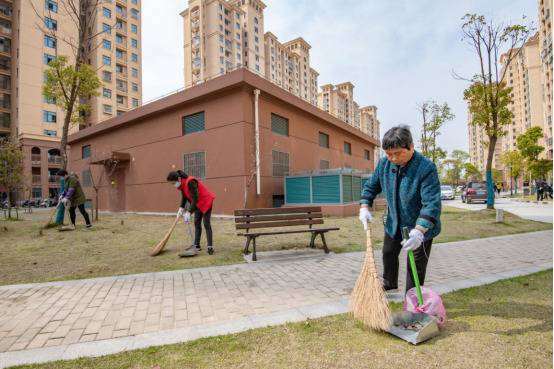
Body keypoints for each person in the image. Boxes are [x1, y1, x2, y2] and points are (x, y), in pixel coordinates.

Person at [358, 126, 441, 293]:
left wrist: (419, 231)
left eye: (397, 153)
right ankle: (389, 283)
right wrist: (364, 206)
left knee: (415, 265)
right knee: (388, 253)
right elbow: (371, 186)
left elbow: (432, 204)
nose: (393, 158)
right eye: (389, 154)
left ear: (411, 146)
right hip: (394, 223)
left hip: (419, 228)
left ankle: (412, 297)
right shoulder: (383, 165)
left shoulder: (426, 167)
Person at [167, 170, 216, 255]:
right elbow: (184, 197)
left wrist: (189, 212)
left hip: (206, 201)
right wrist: (181, 208)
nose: (173, 185)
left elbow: (195, 198)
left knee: (206, 224)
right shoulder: (182, 184)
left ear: (178, 178)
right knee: (197, 223)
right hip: (197, 204)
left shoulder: (190, 182)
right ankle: (196, 245)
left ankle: (210, 246)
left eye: (173, 183)